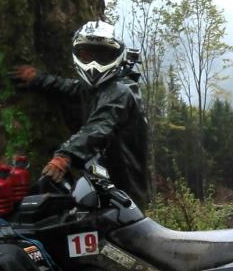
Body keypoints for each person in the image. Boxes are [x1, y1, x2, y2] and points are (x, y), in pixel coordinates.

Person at [9, 20, 150, 208]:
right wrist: (39, 79)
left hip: (125, 194)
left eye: (102, 54)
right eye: (87, 54)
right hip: (102, 187)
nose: (93, 63)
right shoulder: (97, 89)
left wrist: (65, 156)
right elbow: (70, 87)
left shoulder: (122, 91)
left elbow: (99, 127)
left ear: (116, 55)